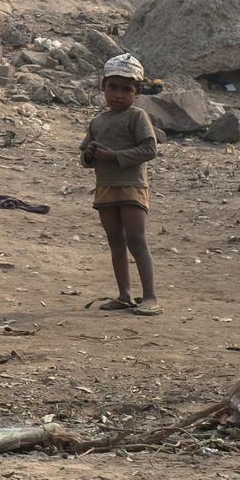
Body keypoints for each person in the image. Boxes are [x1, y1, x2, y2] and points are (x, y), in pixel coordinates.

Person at [80, 53, 160, 315]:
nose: (118, 94)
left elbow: (149, 149)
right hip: (105, 188)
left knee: (136, 239)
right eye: (113, 87)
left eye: (126, 89)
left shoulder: (137, 117)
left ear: (136, 93)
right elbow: (85, 159)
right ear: (103, 87)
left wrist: (114, 157)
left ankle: (150, 297)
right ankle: (124, 294)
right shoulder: (98, 122)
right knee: (115, 240)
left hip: (132, 187)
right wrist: (90, 154)